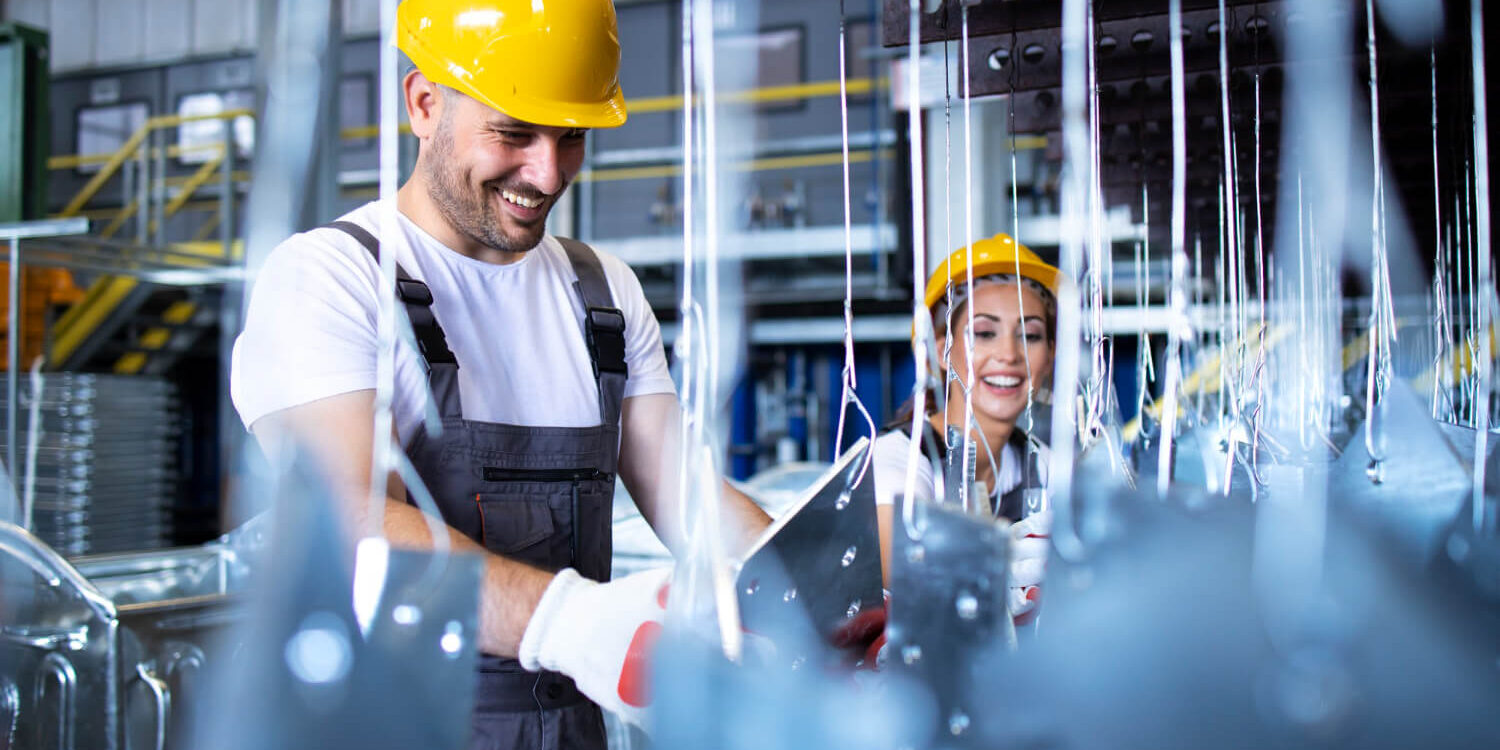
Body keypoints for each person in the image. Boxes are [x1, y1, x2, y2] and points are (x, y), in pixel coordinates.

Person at [229, 1, 771, 748]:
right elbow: (348, 522)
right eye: (513, 133)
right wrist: (570, 620)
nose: (546, 173)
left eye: (571, 136)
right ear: (425, 103)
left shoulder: (603, 292)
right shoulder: (330, 279)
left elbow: (688, 495)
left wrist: (807, 595)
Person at [871, 233, 1059, 623]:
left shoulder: (1044, 465)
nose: (1009, 354)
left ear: (1051, 354)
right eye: (983, 332)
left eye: (1030, 335)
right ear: (941, 348)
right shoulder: (898, 461)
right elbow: (900, 569)